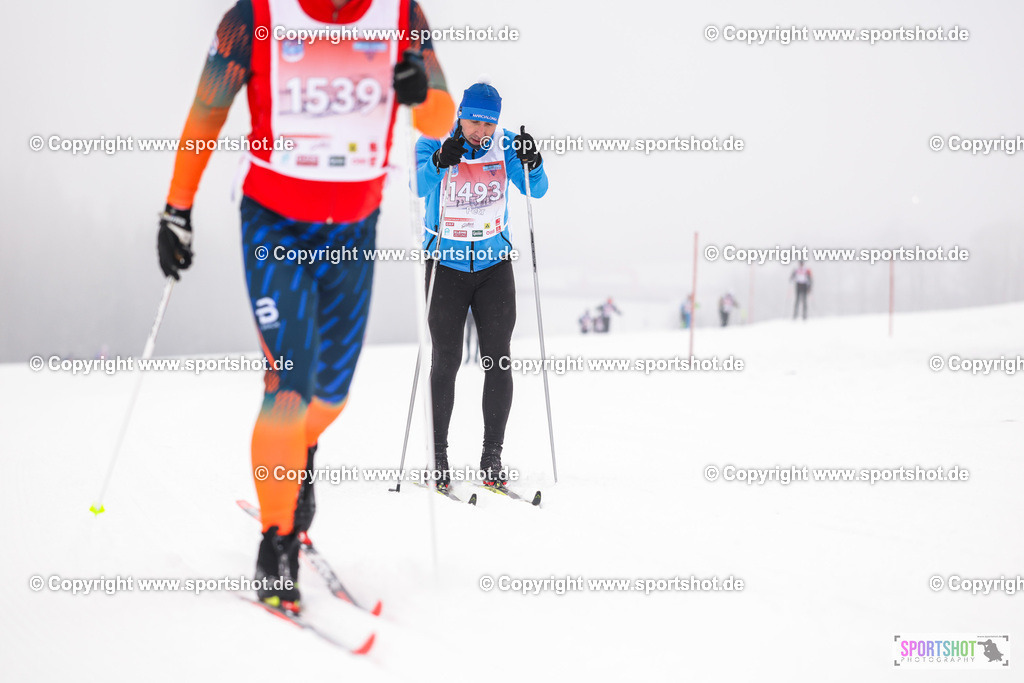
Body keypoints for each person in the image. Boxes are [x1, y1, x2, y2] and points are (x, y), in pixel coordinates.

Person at [155, 0, 455, 614]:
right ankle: (278, 542)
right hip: (275, 225)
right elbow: (207, 112)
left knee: (332, 394)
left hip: (353, 228)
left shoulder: (400, 14)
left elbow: (440, 119)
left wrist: (419, 91)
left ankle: (300, 454)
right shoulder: (254, 17)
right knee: (288, 384)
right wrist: (177, 208)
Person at [415, 82, 549, 491]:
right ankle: (438, 458)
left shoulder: (504, 145)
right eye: (474, 122)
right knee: (446, 360)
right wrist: (440, 161)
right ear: (460, 115)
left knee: (498, 360)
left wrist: (533, 162)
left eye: (489, 124)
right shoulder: (434, 139)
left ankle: (492, 458)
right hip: (445, 266)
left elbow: (537, 189)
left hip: (494, 267)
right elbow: (416, 186)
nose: (481, 132)